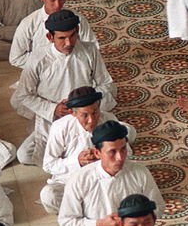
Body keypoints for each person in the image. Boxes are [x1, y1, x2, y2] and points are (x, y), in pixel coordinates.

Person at [57, 121, 166, 226]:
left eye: (123, 149)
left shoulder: (139, 172)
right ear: (97, 152)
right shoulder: (80, 179)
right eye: (112, 152)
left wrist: (135, 224)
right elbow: (66, 221)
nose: (120, 157)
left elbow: (158, 206)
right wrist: (100, 224)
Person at [11, 10, 116, 166]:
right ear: (50, 37)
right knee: (25, 155)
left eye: (72, 36)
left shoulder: (89, 50)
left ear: (78, 32)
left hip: (86, 113)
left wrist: (86, 102)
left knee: (126, 135)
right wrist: (54, 109)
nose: (68, 43)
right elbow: (24, 95)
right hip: (54, 117)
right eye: (62, 38)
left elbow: (106, 83)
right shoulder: (38, 58)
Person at [39, 87, 134, 214]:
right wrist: (77, 161)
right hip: (71, 180)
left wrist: (106, 158)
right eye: (85, 115)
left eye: (95, 113)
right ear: (73, 113)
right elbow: (48, 164)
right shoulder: (60, 127)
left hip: (105, 180)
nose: (91, 120)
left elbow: (127, 154)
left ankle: (87, 210)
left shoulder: (109, 121)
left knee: (133, 186)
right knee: (49, 196)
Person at [9, 0, 98, 69]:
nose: (58, 5)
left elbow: (92, 48)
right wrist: (47, 63)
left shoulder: (78, 19)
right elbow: (16, 58)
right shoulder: (29, 24)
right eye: (52, 0)